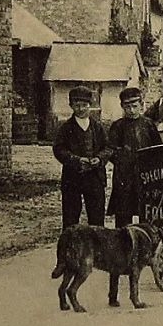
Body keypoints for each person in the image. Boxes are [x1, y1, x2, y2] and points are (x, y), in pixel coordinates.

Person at [52, 86, 111, 227]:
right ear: (71, 106)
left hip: (95, 178)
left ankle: (96, 247)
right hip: (72, 178)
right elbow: (59, 149)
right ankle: (71, 247)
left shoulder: (98, 127)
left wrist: (100, 158)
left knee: (97, 219)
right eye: (77, 105)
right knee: (70, 219)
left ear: (90, 106)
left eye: (84, 105)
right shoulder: (66, 128)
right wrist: (76, 160)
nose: (81, 109)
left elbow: (108, 147)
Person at [108, 86, 162, 226]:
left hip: (146, 176)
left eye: (134, 106)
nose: (131, 110)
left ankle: (145, 243)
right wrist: (123, 158)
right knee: (123, 214)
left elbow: (158, 149)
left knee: (146, 212)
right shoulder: (117, 126)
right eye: (127, 107)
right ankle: (123, 245)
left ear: (141, 105)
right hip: (124, 177)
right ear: (122, 106)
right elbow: (111, 150)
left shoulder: (149, 125)